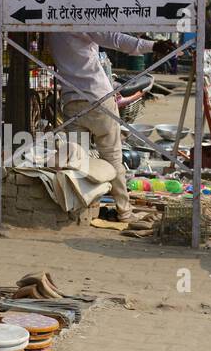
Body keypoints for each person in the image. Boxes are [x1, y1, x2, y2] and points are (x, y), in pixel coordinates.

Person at [46, 31, 155, 221]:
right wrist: (152, 46)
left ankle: (78, 211)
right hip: (98, 99)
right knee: (112, 157)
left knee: (76, 161)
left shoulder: (51, 29)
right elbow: (115, 39)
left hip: (72, 101)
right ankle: (124, 212)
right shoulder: (80, 20)